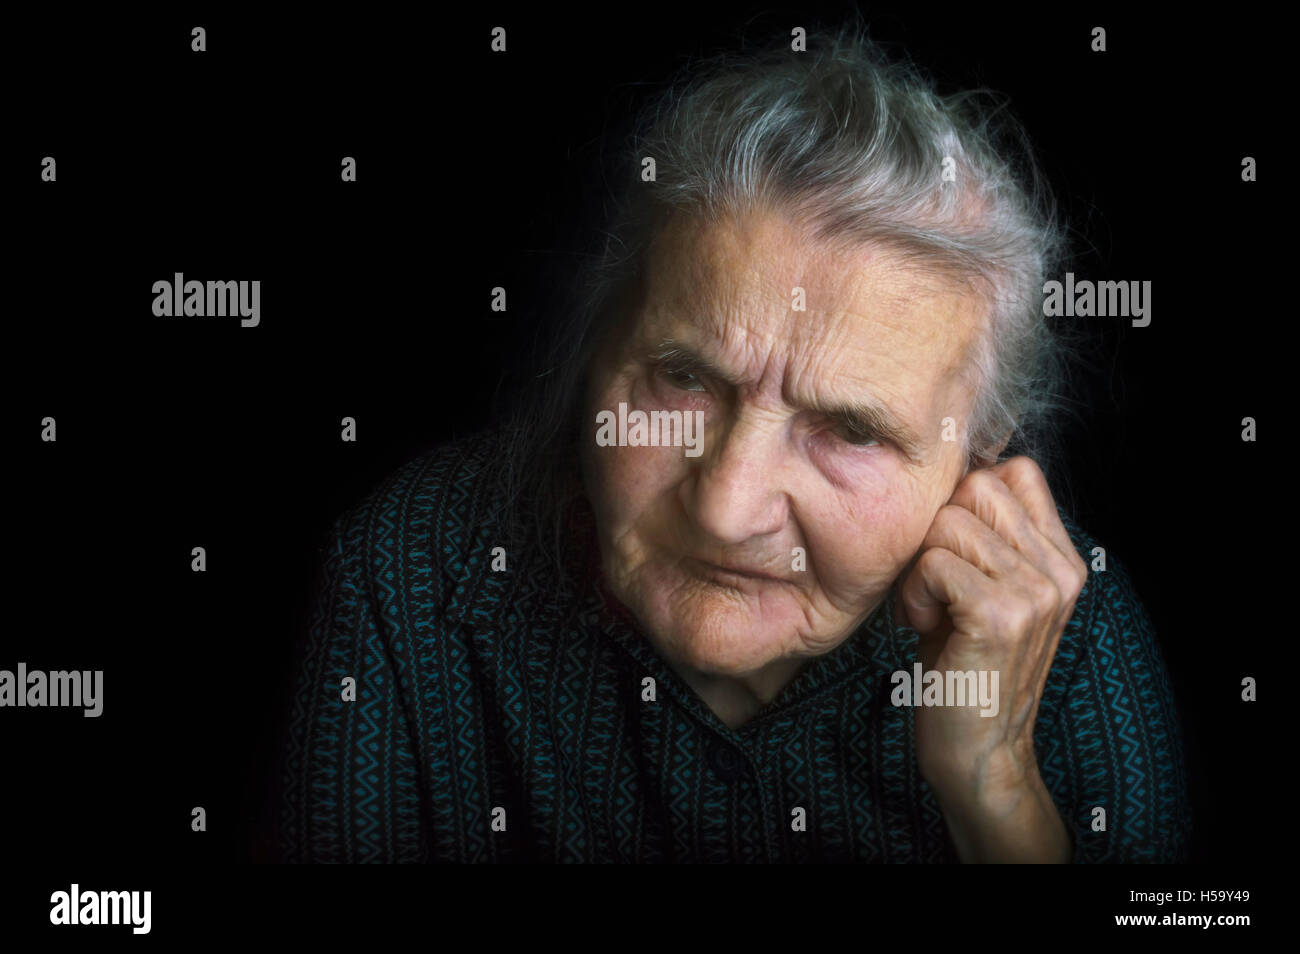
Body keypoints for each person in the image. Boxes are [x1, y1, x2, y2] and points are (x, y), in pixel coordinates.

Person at [277, 25, 1190, 863]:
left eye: (851, 431)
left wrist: (996, 795)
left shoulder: (1060, 627)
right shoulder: (408, 568)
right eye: (684, 378)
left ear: (977, 455)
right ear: (601, 344)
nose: (725, 506)